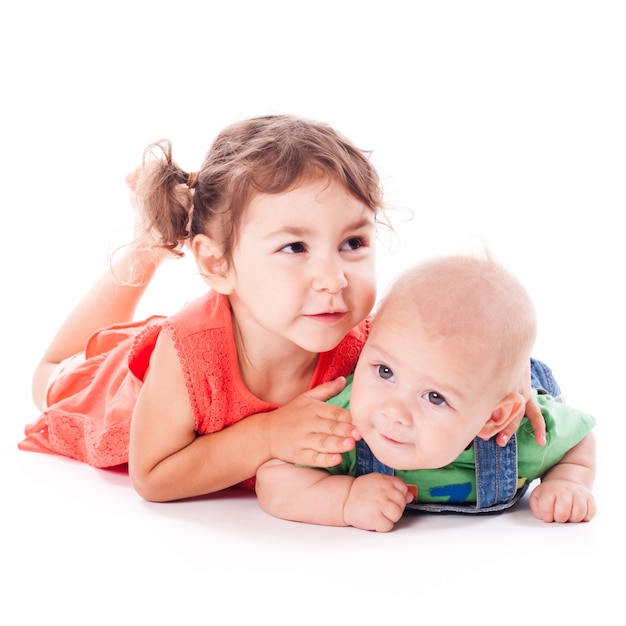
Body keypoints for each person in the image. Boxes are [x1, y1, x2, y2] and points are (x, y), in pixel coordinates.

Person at [19, 115, 545, 503]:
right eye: (295, 248)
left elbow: (456, 325)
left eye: (353, 242)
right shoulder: (187, 355)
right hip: (120, 395)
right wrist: (267, 435)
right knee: (52, 375)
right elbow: (153, 477)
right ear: (218, 263)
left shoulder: (364, 335)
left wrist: (509, 377)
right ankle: (151, 245)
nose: (334, 278)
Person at [255, 253, 596, 531]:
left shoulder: (521, 435)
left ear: (493, 418)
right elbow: (273, 478)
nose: (393, 412)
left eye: (435, 397)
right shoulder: (345, 424)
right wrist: (344, 499)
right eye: (385, 372)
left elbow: (578, 437)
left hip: (513, 388)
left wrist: (569, 481)